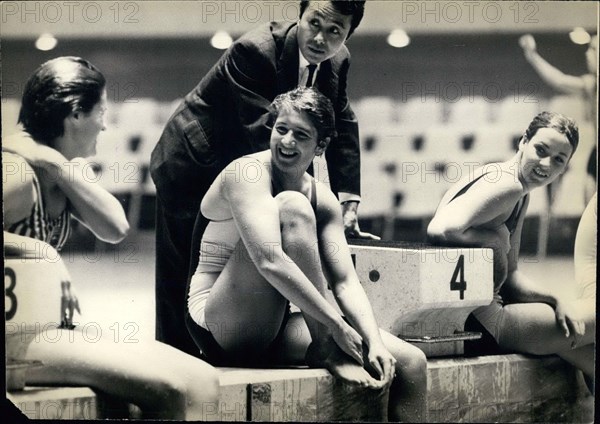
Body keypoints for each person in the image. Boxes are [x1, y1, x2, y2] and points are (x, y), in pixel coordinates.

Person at [150, 0, 377, 356]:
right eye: (313, 23)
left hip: (247, 159)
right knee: (183, 269)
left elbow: (340, 119)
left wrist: (346, 198)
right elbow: (272, 135)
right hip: (193, 163)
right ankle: (172, 359)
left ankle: (257, 327)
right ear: (299, 16)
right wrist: (309, 203)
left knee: (257, 249)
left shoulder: (339, 59)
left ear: (349, 34)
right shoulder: (253, 50)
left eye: (335, 31)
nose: (320, 38)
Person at [186, 87, 427, 422]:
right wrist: (335, 329)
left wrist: (372, 340)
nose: (286, 142)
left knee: (410, 363)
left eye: (301, 135)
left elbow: (344, 282)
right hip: (219, 320)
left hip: (280, 320)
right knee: (292, 207)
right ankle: (325, 345)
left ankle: (329, 343)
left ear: (321, 147)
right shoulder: (248, 173)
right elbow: (269, 261)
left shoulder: (323, 198)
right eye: (281, 129)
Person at [3, 56, 219, 419]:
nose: (104, 126)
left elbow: (114, 228)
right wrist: (30, 247)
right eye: (100, 113)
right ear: (75, 113)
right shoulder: (16, 172)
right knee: (168, 390)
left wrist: (58, 166)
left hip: (50, 330)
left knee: (203, 380)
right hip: (17, 337)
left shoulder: (56, 165)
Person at [427, 111, 594, 391]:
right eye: (541, 150)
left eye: (558, 160)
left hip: (480, 318)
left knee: (589, 357)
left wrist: (553, 299)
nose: (546, 164)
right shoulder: (507, 184)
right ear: (523, 141)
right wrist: (491, 240)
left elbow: (512, 275)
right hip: (483, 325)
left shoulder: (519, 189)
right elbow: (440, 228)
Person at [519, 34, 598, 203]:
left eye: (593, 49)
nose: (587, 54)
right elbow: (559, 80)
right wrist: (532, 55)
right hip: (596, 154)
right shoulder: (592, 84)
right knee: (591, 209)